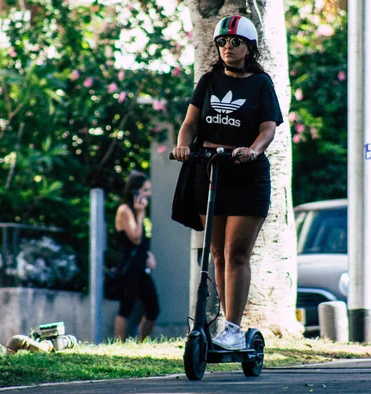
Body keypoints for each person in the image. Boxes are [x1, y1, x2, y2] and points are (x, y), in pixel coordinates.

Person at [172, 15, 283, 350]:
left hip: (246, 175)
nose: (228, 48)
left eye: (235, 42)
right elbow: (191, 123)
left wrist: (253, 150)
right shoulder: (209, 81)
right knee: (217, 252)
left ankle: (234, 328)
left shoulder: (261, 84)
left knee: (236, 253)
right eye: (222, 42)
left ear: (249, 47)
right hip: (209, 169)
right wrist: (182, 145)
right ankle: (224, 325)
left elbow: (269, 128)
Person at [114, 170, 160, 342]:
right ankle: (119, 344)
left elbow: (141, 243)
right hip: (129, 266)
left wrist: (148, 254)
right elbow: (135, 237)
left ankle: (142, 342)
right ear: (135, 191)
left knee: (153, 307)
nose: (149, 194)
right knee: (126, 307)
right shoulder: (125, 210)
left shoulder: (135, 210)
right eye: (145, 190)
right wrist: (140, 215)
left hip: (140, 266)